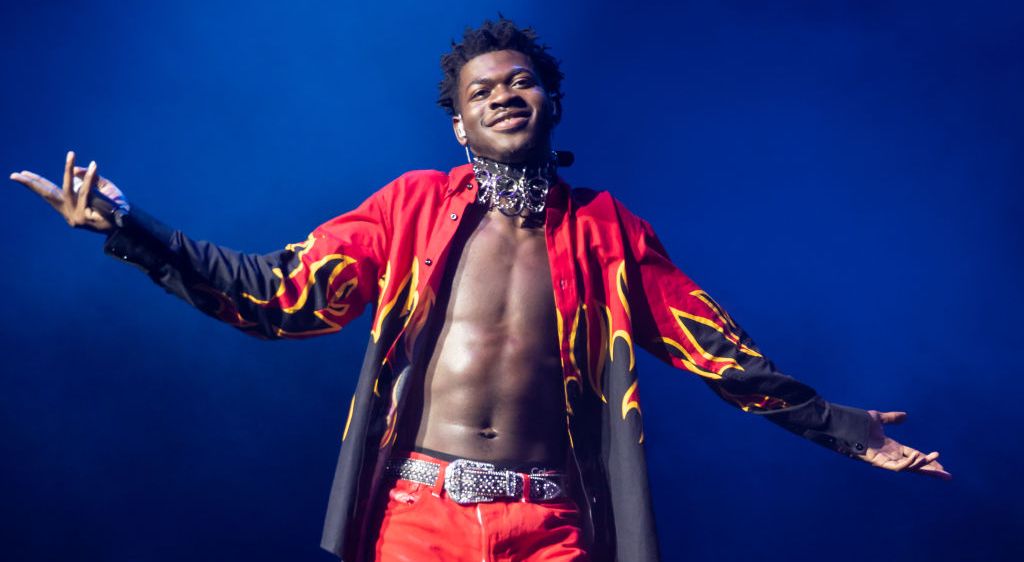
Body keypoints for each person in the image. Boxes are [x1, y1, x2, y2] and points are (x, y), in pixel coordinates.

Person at [10, 17, 949, 562]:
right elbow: (281, 297)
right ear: (459, 123)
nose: (503, 93)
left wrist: (845, 427)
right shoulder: (412, 208)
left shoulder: (612, 233)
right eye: (481, 90)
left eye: (521, 81)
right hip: (417, 516)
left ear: (551, 102)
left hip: (552, 525)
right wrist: (130, 227)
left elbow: (723, 356)